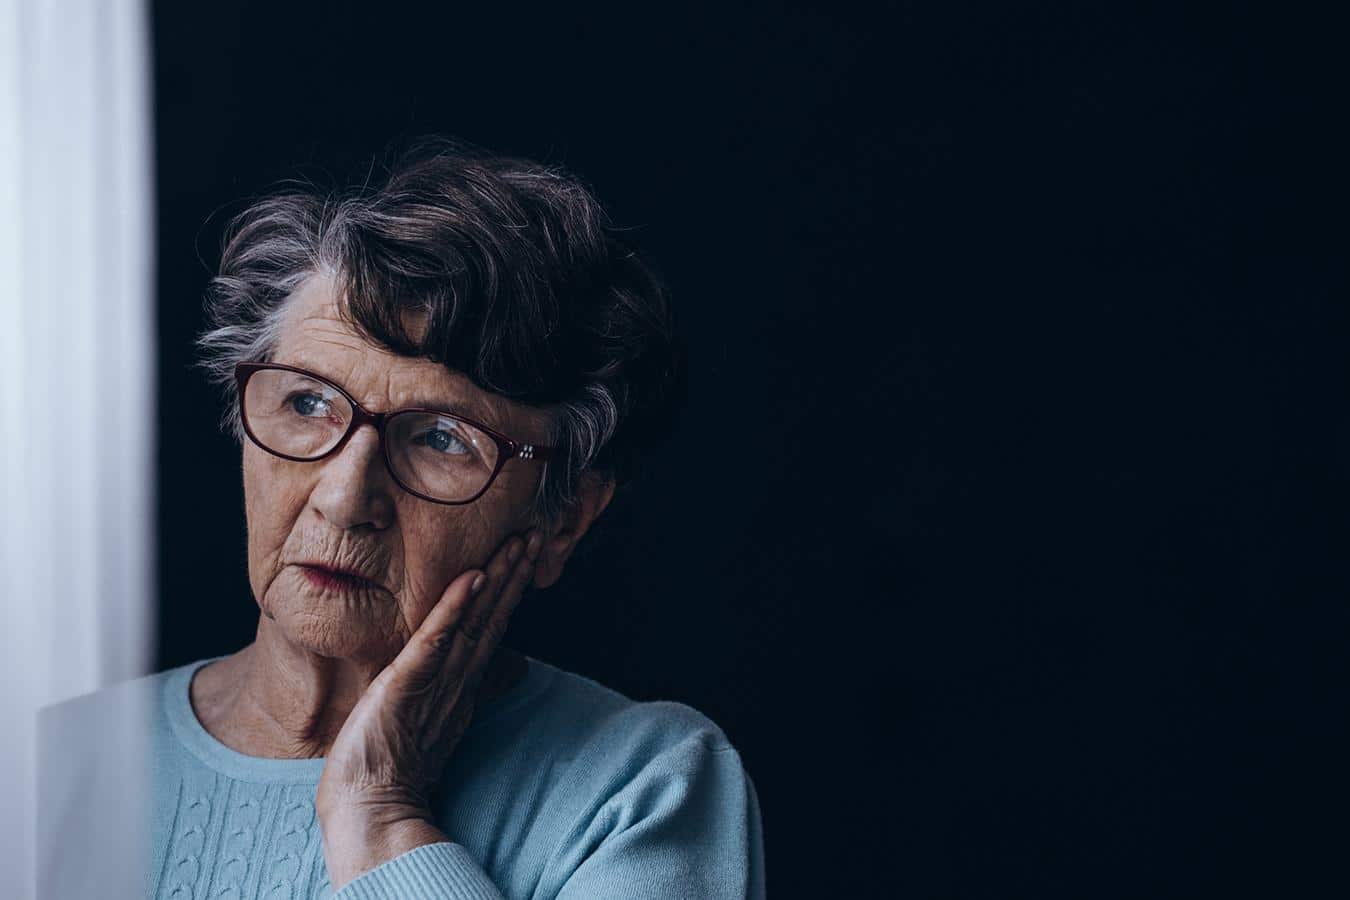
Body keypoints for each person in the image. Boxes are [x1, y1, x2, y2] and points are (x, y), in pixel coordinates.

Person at [38, 137, 765, 899]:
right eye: (307, 403)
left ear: (563, 521)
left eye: (443, 439)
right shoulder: (46, 767)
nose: (346, 498)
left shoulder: (641, 790)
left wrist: (380, 820)